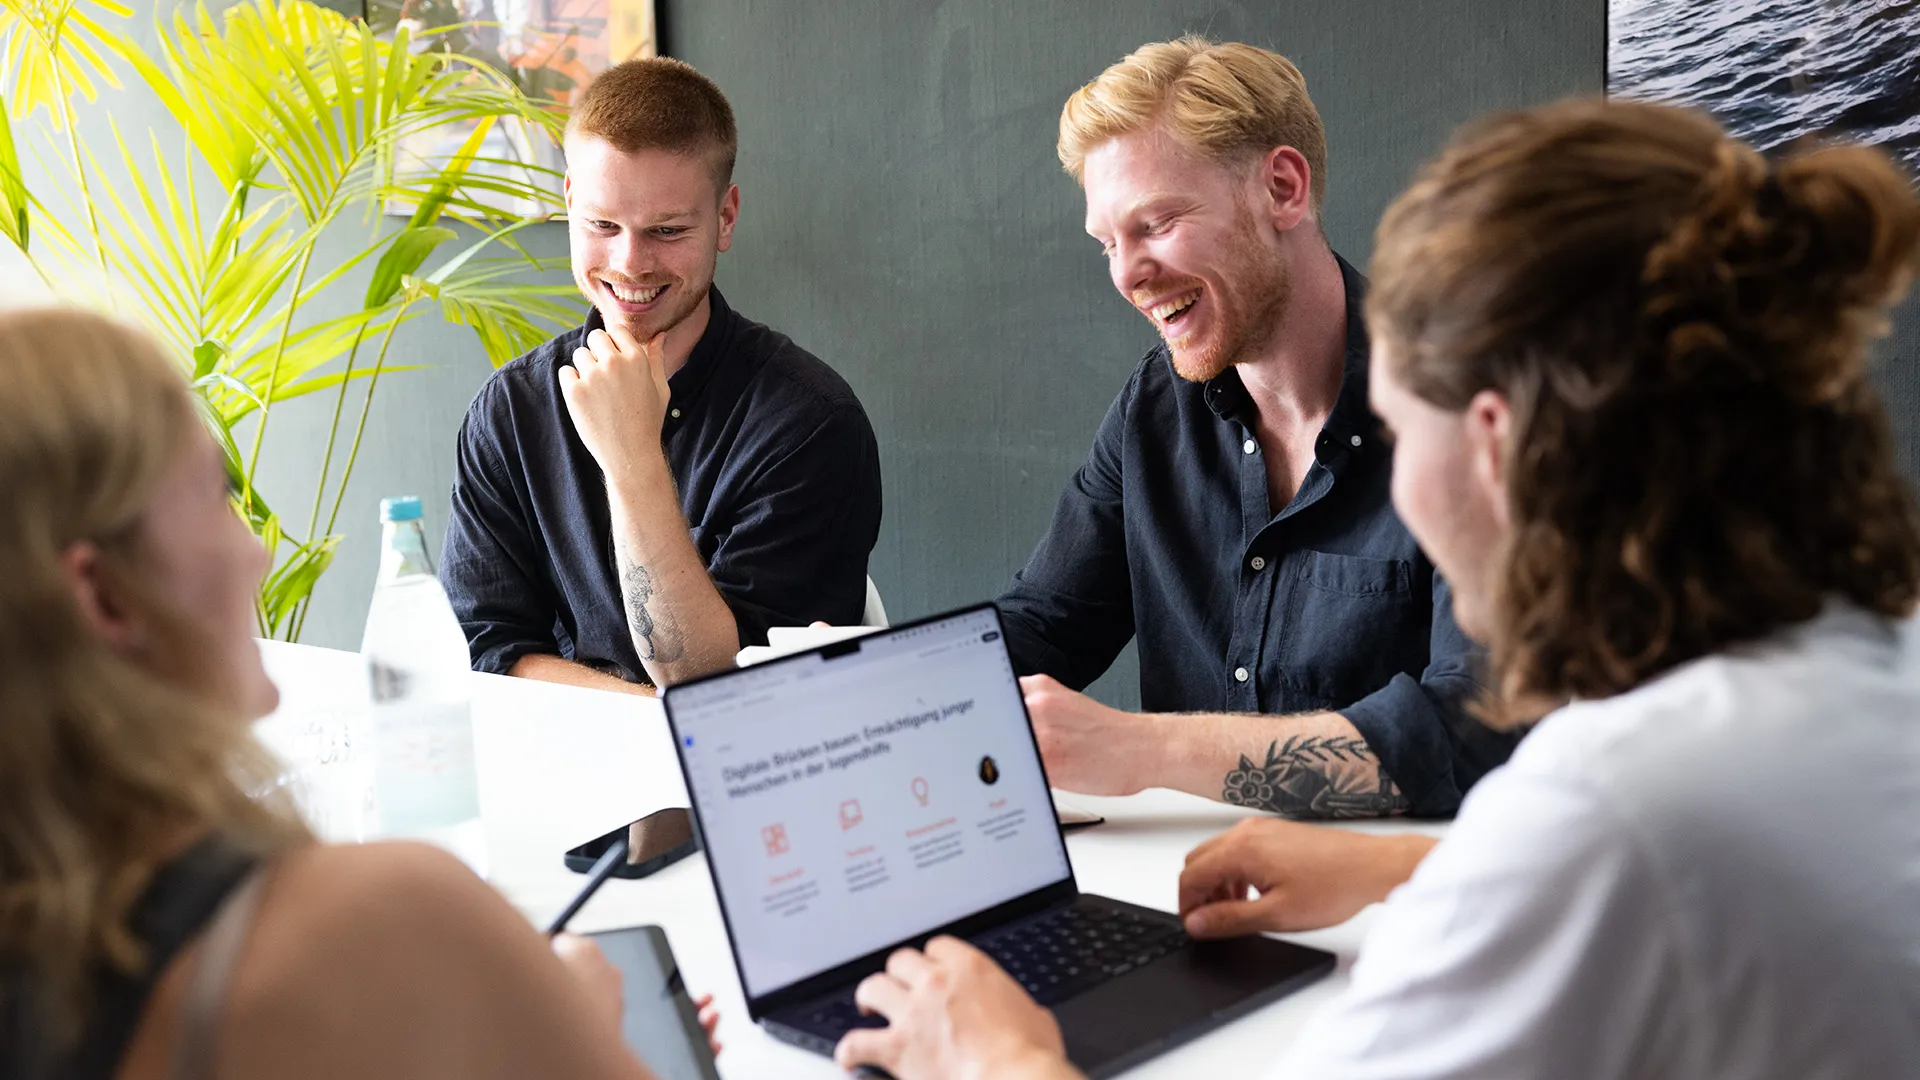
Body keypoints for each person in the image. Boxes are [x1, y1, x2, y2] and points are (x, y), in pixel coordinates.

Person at [834, 99, 1920, 1079]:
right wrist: (1416, 869)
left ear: (1494, 449)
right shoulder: (1870, 666)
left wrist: (997, 1058)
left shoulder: (1602, 814)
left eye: (1405, 429)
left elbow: (1591, 843)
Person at [0, 308, 719, 1078]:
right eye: (213, 493)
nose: (258, 551)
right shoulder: (383, 917)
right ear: (106, 599)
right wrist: (561, 1025)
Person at [997, 37, 1516, 819]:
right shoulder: (1152, 408)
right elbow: (1044, 627)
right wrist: (861, 684)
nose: (1125, 274)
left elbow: (1470, 737)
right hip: (1194, 886)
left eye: (1157, 223)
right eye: (1108, 242)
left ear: (1282, 188)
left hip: (1395, 909)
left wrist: (1142, 750)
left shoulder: (1467, 414)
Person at [443, 57, 883, 694]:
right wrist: (645, 710)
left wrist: (632, 461)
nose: (630, 263)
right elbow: (489, 651)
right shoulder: (511, 410)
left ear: (725, 218)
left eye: (667, 230)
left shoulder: (809, 425)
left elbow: (722, 692)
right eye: (601, 225)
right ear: (569, 200)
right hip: (556, 770)